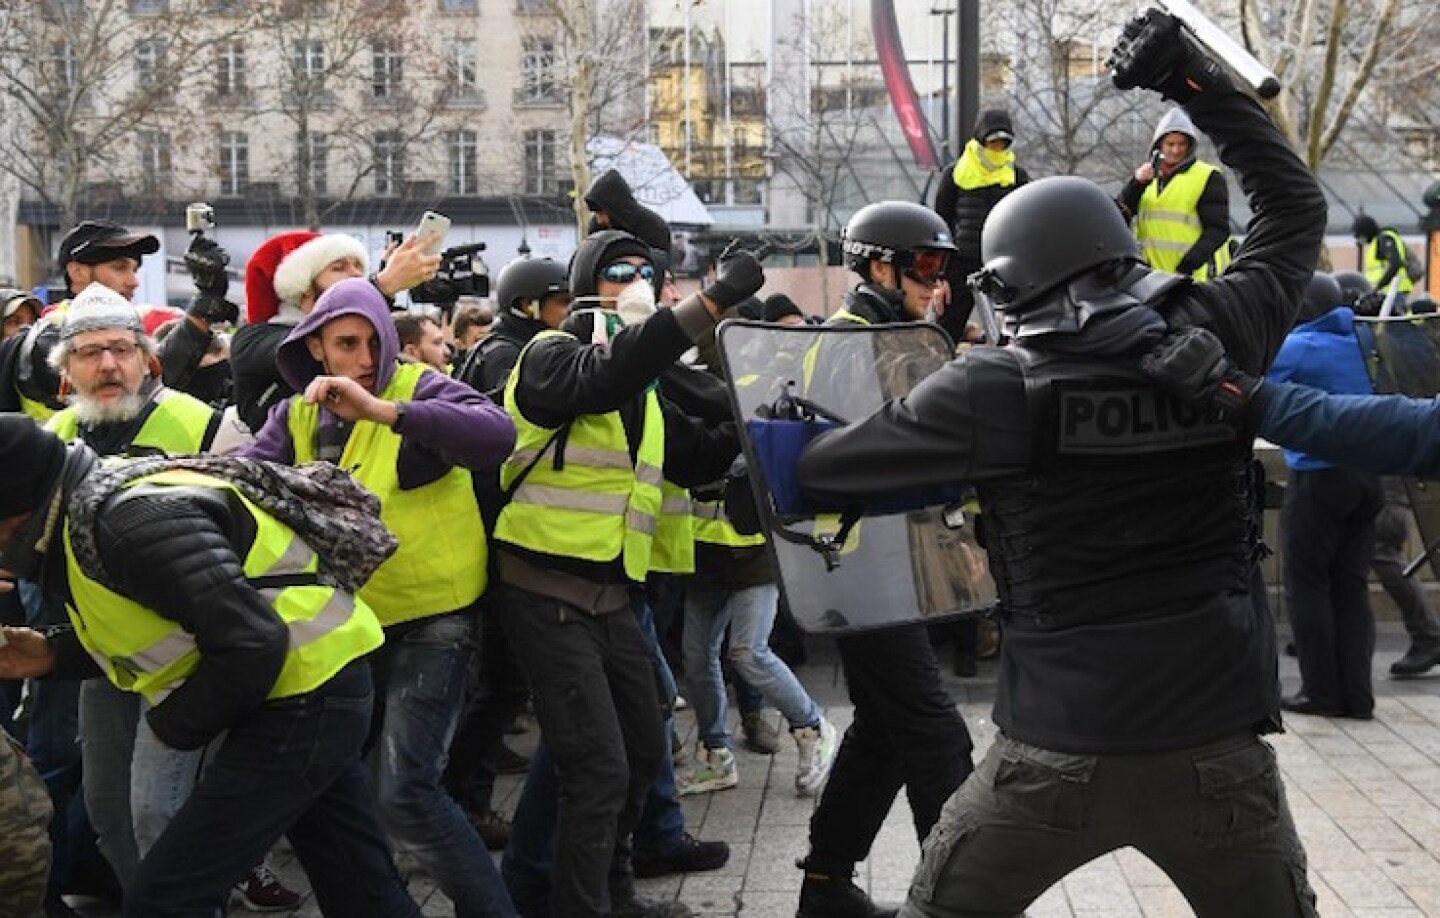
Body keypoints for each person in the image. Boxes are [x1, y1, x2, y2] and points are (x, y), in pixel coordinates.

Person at [792, 11, 1327, 915]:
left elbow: (825, 472)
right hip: (1220, 747)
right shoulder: (1225, 327)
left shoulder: (989, 388)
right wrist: (1193, 86)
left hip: (1050, 753)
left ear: (1009, 285)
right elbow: (1294, 206)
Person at [0, 415, 422, 918]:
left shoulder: (124, 523)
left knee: (165, 899)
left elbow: (251, 642)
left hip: (305, 700)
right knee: (361, 887)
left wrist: (171, 726)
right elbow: (166, 626)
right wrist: (52, 654)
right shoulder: (86, 512)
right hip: (308, 692)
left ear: (15, 511)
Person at [492, 229, 760, 917]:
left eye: (649, 270)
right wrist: (713, 299)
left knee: (645, 752)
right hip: (544, 593)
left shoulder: (645, 393)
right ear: (586, 285)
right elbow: (605, 373)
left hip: (613, 599)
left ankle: (613, 897)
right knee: (598, 770)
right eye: (619, 271)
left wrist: (766, 414)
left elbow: (697, 456)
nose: (637, 281)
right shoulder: (549, 356)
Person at [239, 277, 518, 918]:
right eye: (346, 344)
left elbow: (495, 434)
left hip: (434, 617)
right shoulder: (295, 414)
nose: (364, 359)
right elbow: (249, 484)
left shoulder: (417, 387)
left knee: (407, 793)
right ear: (315, 349)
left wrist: (385, 412)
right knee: (350, 789)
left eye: (375, 342)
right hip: (347, 626)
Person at [792, 200, 975, 918]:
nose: (937, 279)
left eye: (943, 267)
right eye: (926, 264)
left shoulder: (895, 333)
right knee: (937, 738)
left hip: (889, 565)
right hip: (858, 571)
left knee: (884, 732)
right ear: (876, 265)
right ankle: (959, 901)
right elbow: (908, 425)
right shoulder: (848, 339)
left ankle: (825, 885)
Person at [1265, 273, 1382, 719]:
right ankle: (1358, 696)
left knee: (1306, 583)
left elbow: (1249, 381)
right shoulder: (1361, 337)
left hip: (1319, 477)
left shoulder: (1299, 347)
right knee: (1351, 585)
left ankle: (1321, 692)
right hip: (1369, 475)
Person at [221, 230, 438, 432]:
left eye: (358, 266)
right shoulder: (252, 339)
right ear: (304, 288)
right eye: (338, 267)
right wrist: (381, 287)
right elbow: (298, 352)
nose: (355, 275)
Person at [932, 109, 1030, 338]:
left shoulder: (1017, 177)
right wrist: (940, 276)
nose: (996, 150)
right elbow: (941, 223)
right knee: (946, 331)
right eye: (992, 142)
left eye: (1003, 144)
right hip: (961, 264)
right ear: (980, 140)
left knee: (1015, 332)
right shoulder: (955, 174)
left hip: (1004, 264)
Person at [1117, 106, 1231, 280]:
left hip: (1193, 279)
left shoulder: (1208, 176)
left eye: (1181, 144)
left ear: (1189, 145)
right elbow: (1120, 214)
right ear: (1159, 145)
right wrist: (1136, 183)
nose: (1176, 150)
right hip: (1152, 280)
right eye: (1170, 144)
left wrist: (1187, 266)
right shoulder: (1147, 178)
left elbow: (1218, 230)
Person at [1352, 214, 1420, 312]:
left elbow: (1395, 263)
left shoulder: (1384, 239)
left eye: (1359, 235)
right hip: (1387, 291)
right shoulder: (1377, 242)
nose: (1360, 240)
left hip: (1393, 290)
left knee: (1391, 322)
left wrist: (1378, 287)